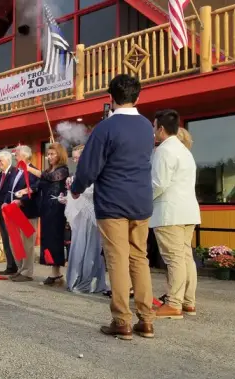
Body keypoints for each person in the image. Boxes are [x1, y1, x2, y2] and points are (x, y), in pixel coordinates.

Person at [71, 74, 156, 340]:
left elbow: (89, 166)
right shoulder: (146, 127)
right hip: (141, 200)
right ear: (138, 97)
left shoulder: (105, 128)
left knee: (117, 260)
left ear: (110, 97)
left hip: (113, 201)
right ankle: (147, 319)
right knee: (139, 258)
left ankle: (122, 320)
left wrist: (76, 189)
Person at [150, 109, 201, 319]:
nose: (153, 132)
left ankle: (174, 303)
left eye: (154, 128)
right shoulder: (184, 150)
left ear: (161, 129)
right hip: (188, 211)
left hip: (169, 212)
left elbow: (158, 183)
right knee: (185, 257)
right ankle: (188, 301)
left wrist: (143, 199)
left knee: (174, 259)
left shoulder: (163, 150)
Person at [64, 144, 109, 294]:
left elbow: (93, 190)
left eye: (78, 158)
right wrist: (68, 195)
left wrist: (75, 189)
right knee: (79, 246)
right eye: (74, 158)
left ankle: (89, 282)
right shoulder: (79, 171)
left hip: (92, 215)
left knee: (91, 247)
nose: (76, 161)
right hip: (80, 216)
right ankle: (77, 279)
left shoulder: (94, 169)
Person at [38, 143, 69, 286]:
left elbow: (50, 177)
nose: (49, 157)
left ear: (59, 155)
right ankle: (54, 271)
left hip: (57, 209)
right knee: (48, 239)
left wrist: (30, 168)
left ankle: (56, 271)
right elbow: (40, 183)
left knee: (55, 239)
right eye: (48, 154)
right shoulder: (48, 170)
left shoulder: (63, 170)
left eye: (52, 154)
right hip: (46, 208)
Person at [9, 145, 40, 282]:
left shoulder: (34, 171)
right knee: (15, 242)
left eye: (17, 155)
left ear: (25, 156)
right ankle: (20, 268)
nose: (15, 157)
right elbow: (10, 190)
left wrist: (21, 201)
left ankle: (27, 272)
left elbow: (35, 190)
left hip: (27, 211)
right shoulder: (16, 171)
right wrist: (5, 202)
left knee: (27, 244)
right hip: (13, 211)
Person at [0, 150, 20, 276]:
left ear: (8, 160)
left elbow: (12, 191)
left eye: (0, 160)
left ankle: (18, 266)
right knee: (5, 239)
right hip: (1, 211)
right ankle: (10, 265)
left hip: (11, 210)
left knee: (13, 239)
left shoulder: (14, 172)